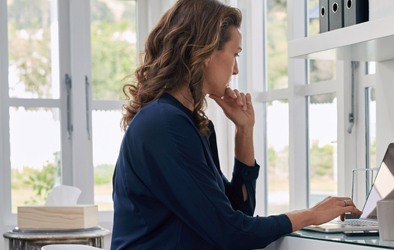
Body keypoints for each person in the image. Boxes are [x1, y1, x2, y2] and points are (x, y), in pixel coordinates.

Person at [111, 0, 361, 249]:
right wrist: (310, 215)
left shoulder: (187, 124)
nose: (236, 69)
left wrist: (244, 130)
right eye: (235, 54)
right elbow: (231, 232)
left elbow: (236, 211)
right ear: (206, 52)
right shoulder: (166, 125)